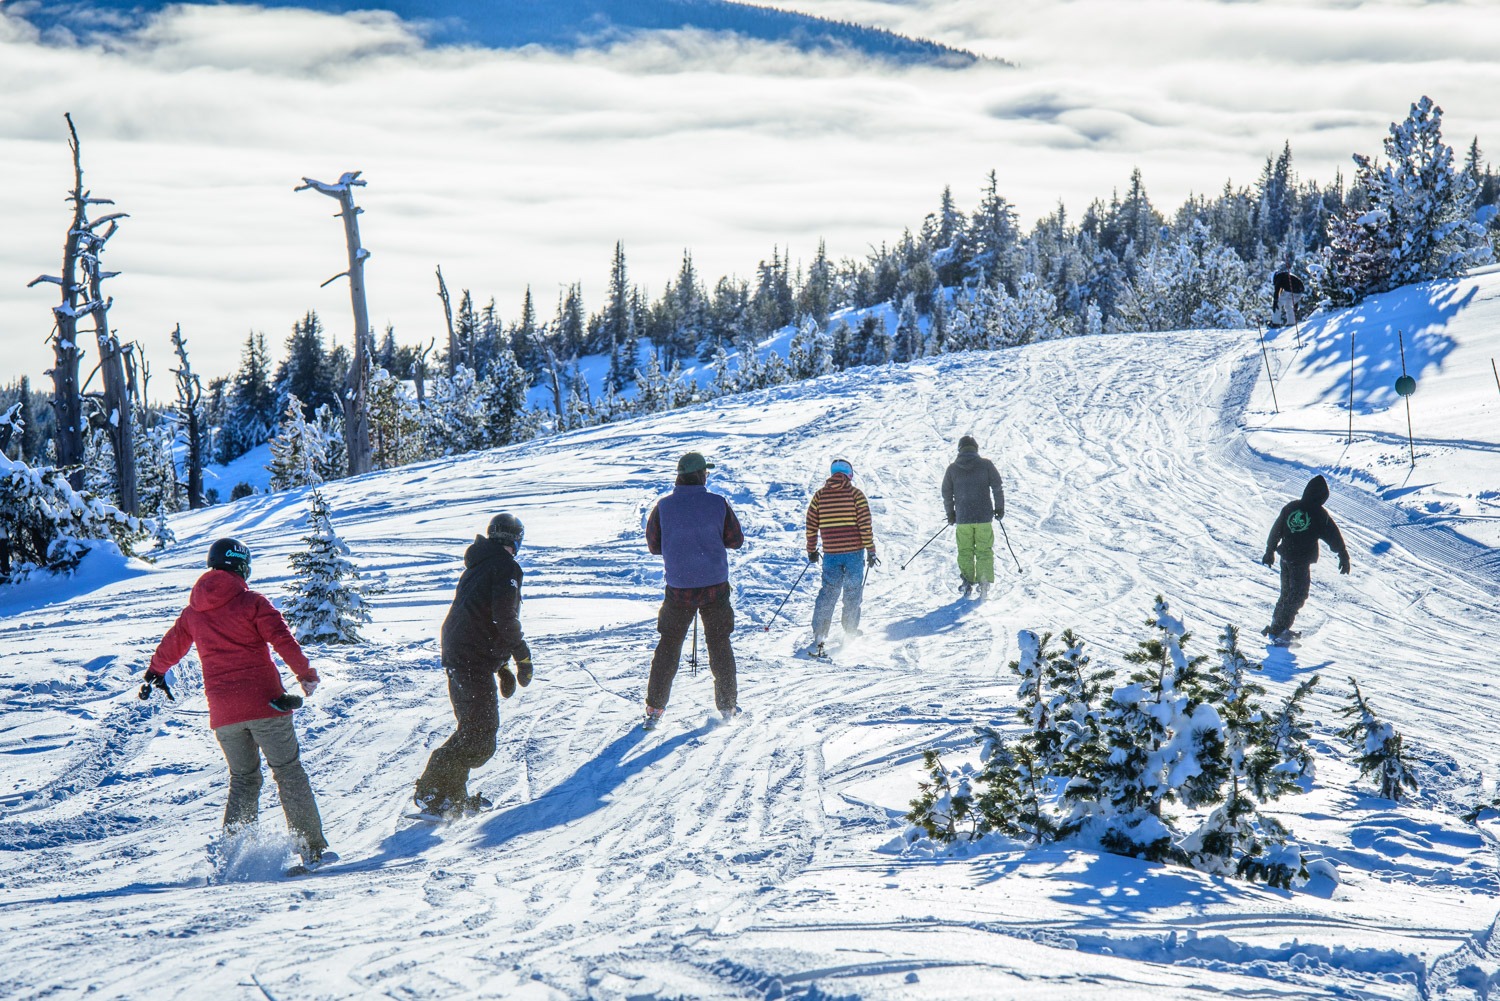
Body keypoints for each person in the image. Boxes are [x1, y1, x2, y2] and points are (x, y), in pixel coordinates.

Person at [144, 538, 330, 866]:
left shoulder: (192, 613)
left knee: (244, 779)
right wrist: (304, 673)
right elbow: (282, 639)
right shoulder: (251, 602)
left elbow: (172, 646)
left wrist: (154, 672)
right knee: (288, 772)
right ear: (242, 565)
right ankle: (312, 850)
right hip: (266, 704)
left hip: (224, 713)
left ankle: (233, 855)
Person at [414, 512, 533, 817]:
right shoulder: (506, 567)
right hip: (469, 657)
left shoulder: (479, 565)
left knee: (474, 729)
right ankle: (431, 790)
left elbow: (480, 618)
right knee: (481, 738)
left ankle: (449, 794)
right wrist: (521, 653)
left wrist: (501, 663)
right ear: (515, 540)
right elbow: (503, 617)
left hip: (464, 653)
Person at [643, 451, 744, 729]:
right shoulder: (718, 503)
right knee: (720, 645)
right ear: (701, 475)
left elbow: (653, 545)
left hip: (679, 588)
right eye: (706, 473)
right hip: (714, 586)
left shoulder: (664, 506)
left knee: (668, 646)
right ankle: (727, 706)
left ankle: (654, 708)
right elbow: (735, 540)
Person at [1261, 474, 1350, 645]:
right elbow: (1333, 536)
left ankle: (1277, 625)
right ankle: (1280, 630)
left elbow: (1276, 530)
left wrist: (1270, 550)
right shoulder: (1319, 514)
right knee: (1298, 594)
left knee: (1287, 593)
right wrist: (1343, 555)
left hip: (1286, 557)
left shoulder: (1291, 507)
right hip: (1299, 560)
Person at [804, 457, 878, 656]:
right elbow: (864, 525)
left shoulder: (819, 497)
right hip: (854, 553)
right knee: (853, 591)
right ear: (849, 475)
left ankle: (820, 634)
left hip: (831, 554)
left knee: (829, 591)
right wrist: (870, 549)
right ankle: (850, 631)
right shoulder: (856, 495)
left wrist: (812, 549)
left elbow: (811, 525)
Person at [941, 435, 1006, 599]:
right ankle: (983, 582)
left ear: (959, 450)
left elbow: (946, 493)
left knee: (965, 550)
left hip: (963, 518)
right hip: (984, 516)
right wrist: (999, 508)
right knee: (984, 549)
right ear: (976, 449)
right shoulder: (986, 465)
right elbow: (997, 487)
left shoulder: (952, 469)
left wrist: (951, 514)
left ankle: (967, 582)